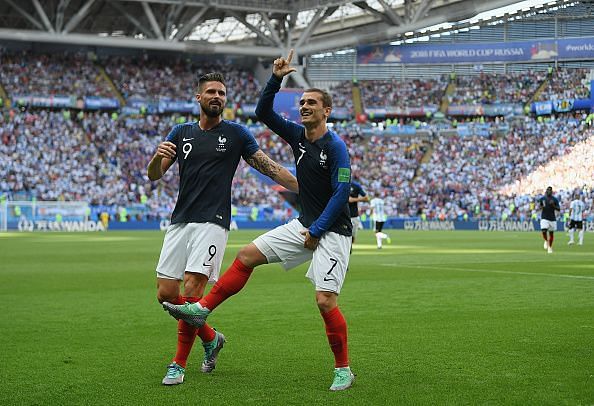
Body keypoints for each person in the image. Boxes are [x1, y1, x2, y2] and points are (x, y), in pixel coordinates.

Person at [163, 50, 355, 391]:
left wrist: (317, 229)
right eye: (303, 102)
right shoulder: (298, 136)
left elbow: (341, 194)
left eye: (312, 102)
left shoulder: (336, 146)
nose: (305, 106)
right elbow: (263, 111)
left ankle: (343, 369)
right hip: (304, 225)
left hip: (332, 230)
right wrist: (276, 78)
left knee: (325, 300)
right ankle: (202, 310)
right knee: (247, 256)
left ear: (327, 111)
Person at [148, 72, 298, 386]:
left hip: (213, 221)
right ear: (198, 97)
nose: (218, 97)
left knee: (192, 292)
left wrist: (304, 188)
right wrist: (155, 159)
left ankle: (178, 364)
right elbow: (154, 175)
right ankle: (212, 338)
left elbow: (268, 166)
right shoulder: (181, 132)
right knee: (166, 294)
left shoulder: (236, 134)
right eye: (211, 92)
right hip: (180, 220)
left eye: (222, 93)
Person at [539, 186, 560, 254]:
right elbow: (540, 206)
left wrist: (553, 205)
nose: (549, 191)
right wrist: (541, 207)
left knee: (551, 233)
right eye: (548, 190)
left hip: (552, 218)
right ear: (546, 191)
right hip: (544, 217)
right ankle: (545, 240)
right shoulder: (542, 199)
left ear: (552, 192)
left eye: (550, 190)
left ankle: (550, 247)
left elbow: (558, 209)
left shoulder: (555, 199)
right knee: (544, 230)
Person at [349, 179, 369, 245]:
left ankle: (350, 247)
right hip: (341, 215)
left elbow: (366, 198)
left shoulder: (355, 186)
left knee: (353, 237)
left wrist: (353, 199)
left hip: (353, 215)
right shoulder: (338, 183)